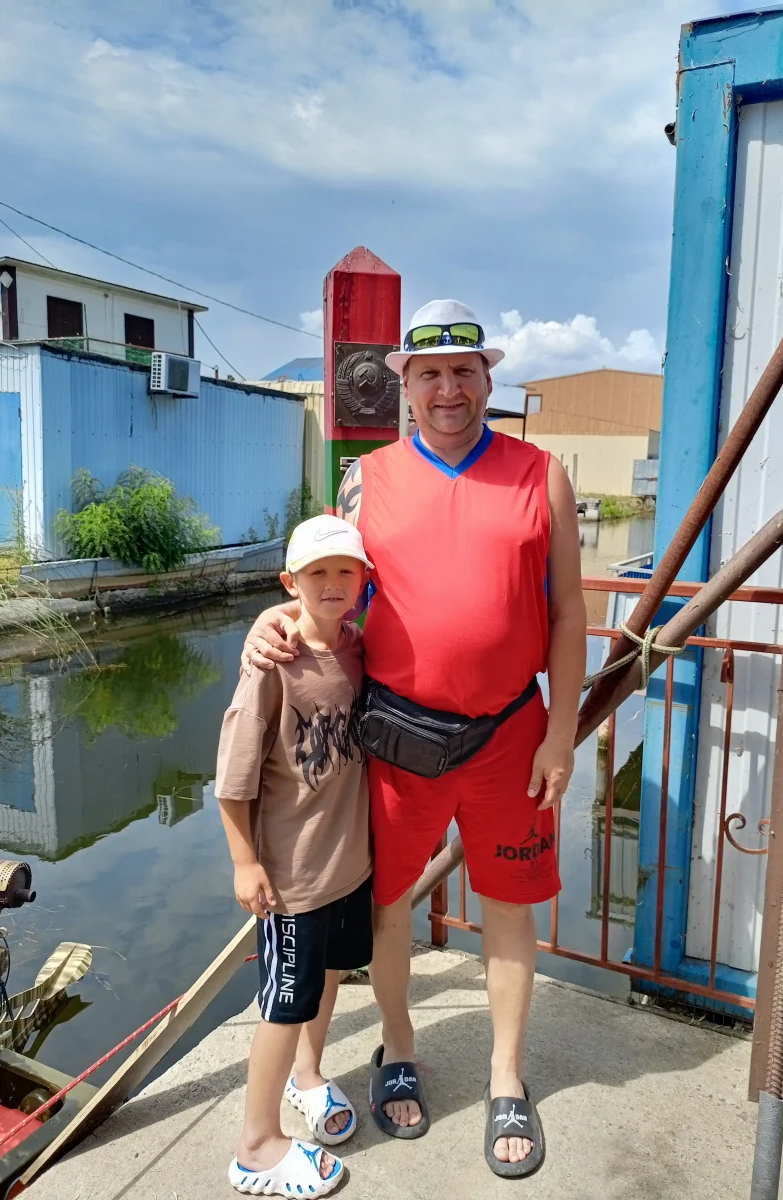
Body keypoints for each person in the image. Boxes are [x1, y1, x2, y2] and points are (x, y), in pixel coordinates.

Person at [243, 299, 587, 1178]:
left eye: (463, 372)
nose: (447, 389)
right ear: (405, 384)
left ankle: (506, 1075)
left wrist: (561, 733)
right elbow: (331, 587)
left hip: (511, 733)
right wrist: (274, 620)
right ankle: (397, 1047)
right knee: (387, 904)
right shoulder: (366, 480)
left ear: (487, 378)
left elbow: (569, 611)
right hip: (398, 736)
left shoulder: (541, 474)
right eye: (428, 374)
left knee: (509, 905)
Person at [215, 515, 375, 1197]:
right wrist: (244, 862)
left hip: (348, 865)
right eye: (317, 573)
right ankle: (256, 1146)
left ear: (364, 580)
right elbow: (232, 779)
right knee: (283, 1005)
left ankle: (307, 1077)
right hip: (292, 879)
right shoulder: (270, 665)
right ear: (291, 582)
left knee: (331, 974)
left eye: (345, 571)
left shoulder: (358, 647)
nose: (332, 583)